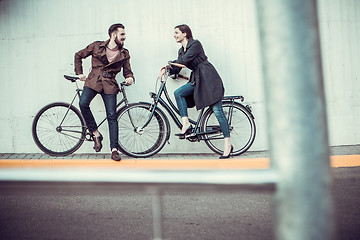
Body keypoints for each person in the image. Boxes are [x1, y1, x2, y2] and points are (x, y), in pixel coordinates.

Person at [158, 24, 233, 159]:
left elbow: (184, 61)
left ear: (185, 33)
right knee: (178, 93)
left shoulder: (195, 44)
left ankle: (227, 144)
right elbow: (177, 67)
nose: (174, 35)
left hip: (208, 77)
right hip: (197, 79)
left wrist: (171, 64)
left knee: (217, 111)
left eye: (176, 32)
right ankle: (186, 123)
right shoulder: (181, 51)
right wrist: (166, 69)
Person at [74, 23, 135, 161]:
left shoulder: (124, 53)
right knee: (83, 103)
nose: (124, 38)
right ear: (114, 35)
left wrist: (129, 77)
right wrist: (79, 73)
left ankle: (114, 150)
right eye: (122, 35)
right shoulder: (97, 46)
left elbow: (127, 70)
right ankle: (95, 133)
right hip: (93, 81)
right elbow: (78, 55)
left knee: (112, 116)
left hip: (110, 84)